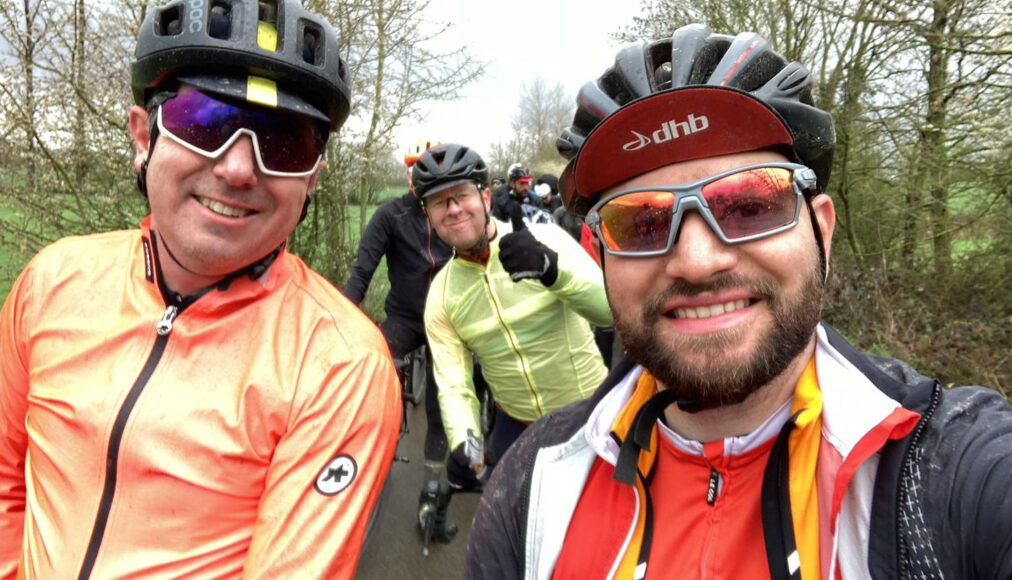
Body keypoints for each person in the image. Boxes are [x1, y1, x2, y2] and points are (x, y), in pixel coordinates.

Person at [467, 24, 1012, 579]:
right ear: (604, 257)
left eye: (751, 205)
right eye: (642, 222)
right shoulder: (533, 483)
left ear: (822, 233)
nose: (697, 261)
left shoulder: (960, 476)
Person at [0, 0, 402, 577]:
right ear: (144, 136)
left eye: (283, 142)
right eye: (204, 120)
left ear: (311, 179)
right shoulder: (52, 281)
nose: (239, 168)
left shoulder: (342, 367)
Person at [411, 143, 612, 493]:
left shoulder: (544, 238)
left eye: (461, 195)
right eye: (439, 202)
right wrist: (466, 442)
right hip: (515, 425)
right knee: (515, 536)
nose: (454, 209)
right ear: (428, 216)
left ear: (486, 198)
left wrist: (553, 271)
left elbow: (611, 314)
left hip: (591, 411)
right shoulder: (442, 296)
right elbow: (454, 384)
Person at [342, 139, 457, 544]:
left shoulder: (451, 212)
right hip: (405, 317)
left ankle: (431, 492)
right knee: (373, 369)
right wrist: (338, 320)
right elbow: (362, 270)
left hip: (447, 318)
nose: (416, 176)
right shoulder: (390, 215)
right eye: (412, 168)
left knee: (446, 400)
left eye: (423, 167)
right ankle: (364, 449)